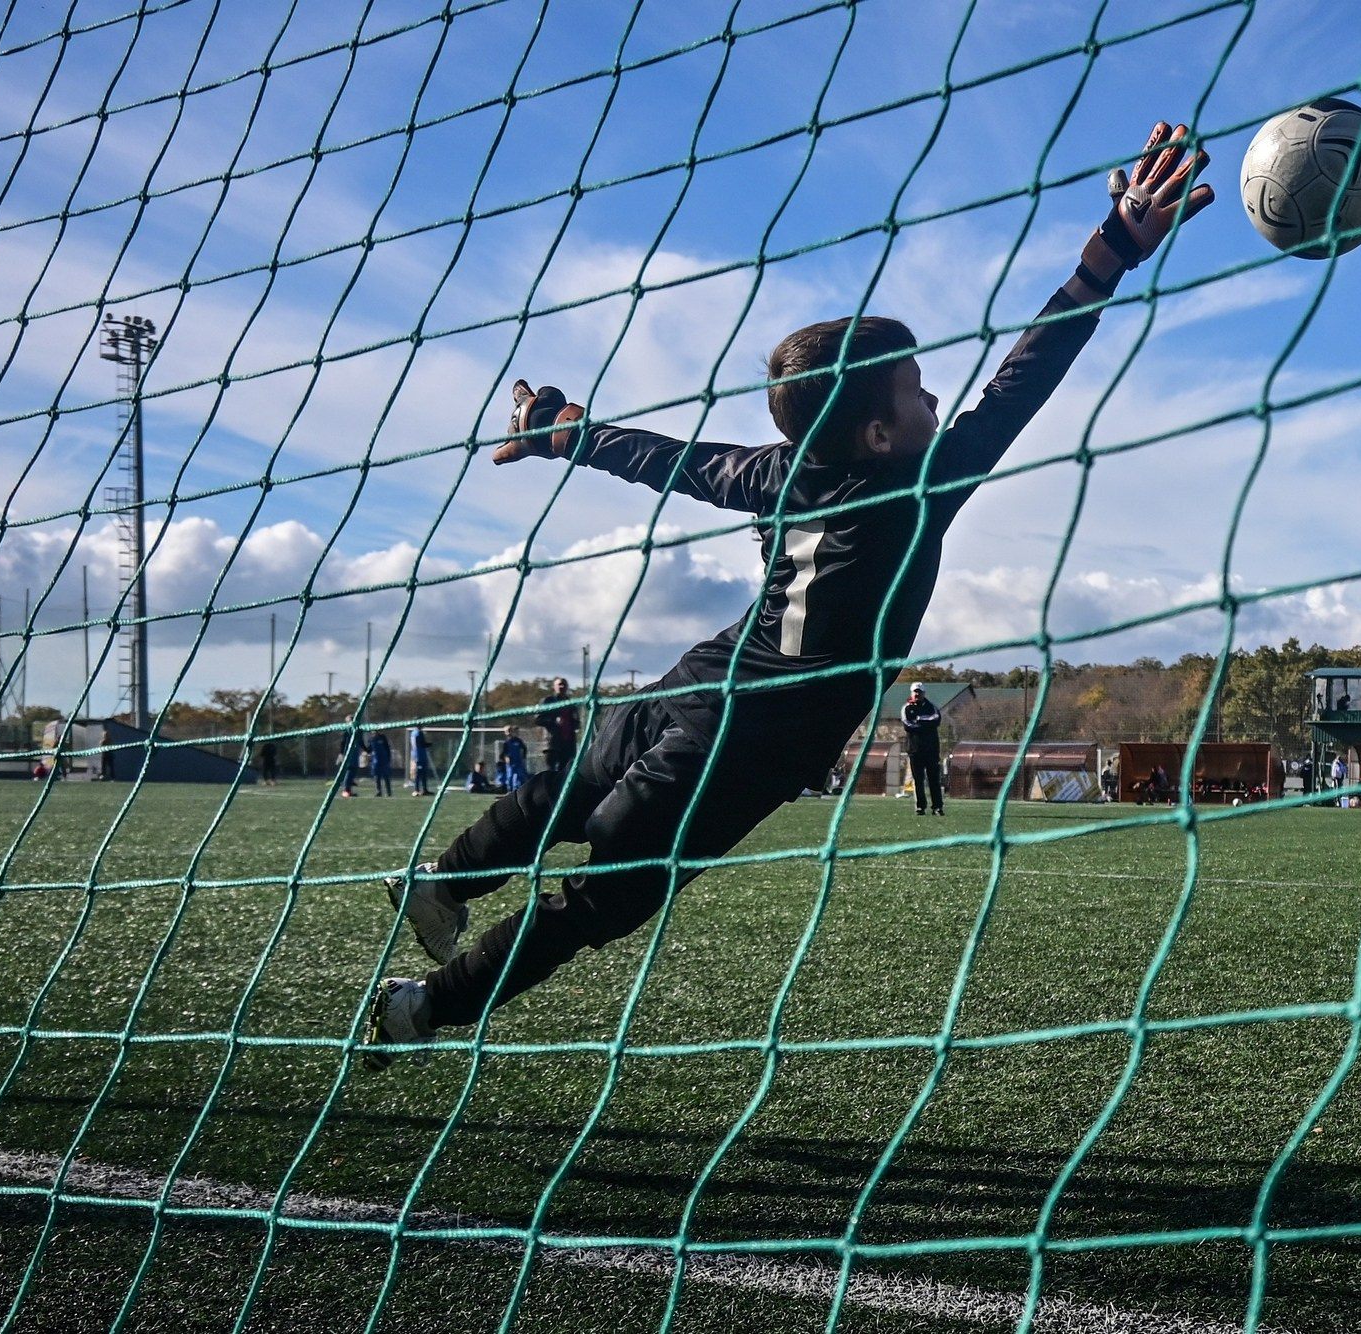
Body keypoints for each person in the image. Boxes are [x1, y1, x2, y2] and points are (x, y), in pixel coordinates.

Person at [364, 119, 1216, 1065]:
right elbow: (1021, 381)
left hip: (707, 677)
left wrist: (561, 427)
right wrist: (1113, 254)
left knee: (576, 789)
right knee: (601, 897)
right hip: (759, 734)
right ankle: (422, 1008)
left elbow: (668, 460)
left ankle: (441, 884)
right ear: (879, 438)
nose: (939, 404)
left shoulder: (774, 471)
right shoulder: (910, 492)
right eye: (918, 392)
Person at [901, 683, 944, 816]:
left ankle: (937, 807)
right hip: (915, 750)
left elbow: (936, 720)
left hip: (931, 749)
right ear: (911, 693)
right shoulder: (907, 708)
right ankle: (920, 807)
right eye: (915, 692)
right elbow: (908, 725)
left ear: (924, 693)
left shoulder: (932, 707)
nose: (917, 694)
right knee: (918, 780)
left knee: (934, 779)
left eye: (919, 692)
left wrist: (919, 721)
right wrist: (926, 723)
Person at [536, 677, 580, 775]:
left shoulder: (570, 703)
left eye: (564, 684)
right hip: (552, 743)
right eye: (559, 684)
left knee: (565, 771)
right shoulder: (548, 700)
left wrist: (573, 724)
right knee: (550, 771)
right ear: (554, 686)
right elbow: (538, 719)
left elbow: (576, 721)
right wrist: (553, 721)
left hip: (568, 743)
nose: (562, 686)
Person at [498, 726, 528, 791]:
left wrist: (523, 757)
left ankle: (519, 790)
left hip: (518, 761)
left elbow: (524, 748)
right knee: (510, 776)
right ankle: (509, 790)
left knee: (520, 776)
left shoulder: (518, 741)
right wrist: (506, 757)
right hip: (510, 762)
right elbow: (504, 752)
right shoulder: (506, 742)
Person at [369, 731, 394, 797]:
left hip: (384, 760)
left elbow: (387, 748)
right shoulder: (372, 740)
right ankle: (378, 791)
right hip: (376, 761)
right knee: (377, 776)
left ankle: (389, 792)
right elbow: (369, 749)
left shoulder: (383, 738)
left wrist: (389, 758)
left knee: (386, 776)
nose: (374, 734)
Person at [408, 726, 432, 796]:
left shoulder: (413, 733)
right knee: (419, 774)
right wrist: (429, 744)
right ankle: (417, 790)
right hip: (420, 755)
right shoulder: (419, 733)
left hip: (416, 755)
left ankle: (424, 790)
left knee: (421, 773)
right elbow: (422, 744)